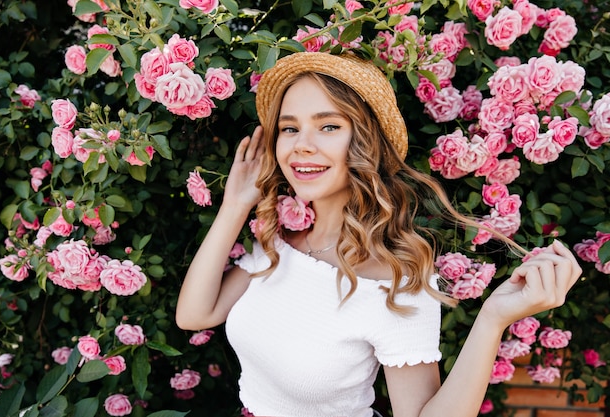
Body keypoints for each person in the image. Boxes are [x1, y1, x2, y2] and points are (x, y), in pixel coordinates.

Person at [175, 52, 582, 417]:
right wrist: (234, 206)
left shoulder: (395, 283)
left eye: (329, 126)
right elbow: (195, 315)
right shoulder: (280, 241)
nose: (302, 145)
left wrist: (493, 320)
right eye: (289, 128)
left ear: (365, 143)